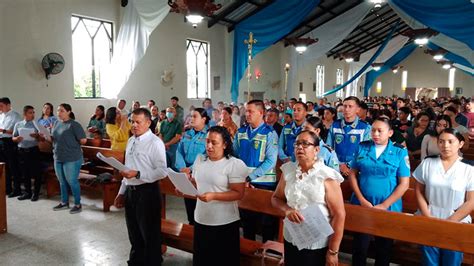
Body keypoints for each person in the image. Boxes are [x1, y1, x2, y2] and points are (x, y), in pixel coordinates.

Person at [271, 130, 345, 266]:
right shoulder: (288, 170)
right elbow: (276, 198)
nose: (299, 147)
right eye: (297, 144)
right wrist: (287, 210)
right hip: (292, 237)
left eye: (305, 144)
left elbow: (339, 215)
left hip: (316, 244)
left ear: (316, 149)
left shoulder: (327, 176)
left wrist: (333, 251)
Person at [348, 117, 410, 266]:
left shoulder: (399, 152)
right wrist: (361, 199)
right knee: (360, 246)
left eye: (379, 131)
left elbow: (404, 184)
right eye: (373, 130)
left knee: (384, 248)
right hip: (362, 204)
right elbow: (352, 174)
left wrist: (384, 204)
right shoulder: (362, 147)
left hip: (388, 207)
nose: (375, 134)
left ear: (390, 133)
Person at [114, 108, 168, 266]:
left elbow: (162, 171)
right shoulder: (131, 140)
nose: (134, 125)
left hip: (148, 193)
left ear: (148, 123)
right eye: (132, 121)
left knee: (150, 236)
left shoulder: (155, 143)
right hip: (131, 192)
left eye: (138, 122)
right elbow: (127, 169)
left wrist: (138, 174)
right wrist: (121, 192)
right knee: (134, 234)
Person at [188, 126, 249, 266]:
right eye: (207, 141)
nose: (209, 146)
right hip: (201, 218)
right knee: (202, 259)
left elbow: (238, 193)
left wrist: (214, 195)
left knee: (223, 260)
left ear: (225, 144)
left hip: (224, 222)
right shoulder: (200, 160)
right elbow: (197, 183)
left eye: (214, 142)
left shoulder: (234, 164)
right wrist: (184, 188)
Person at [413, 128, 474, 266]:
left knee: (451, 261)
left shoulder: (469, 168)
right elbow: (418, 191)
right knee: (429, 262)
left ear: (460, 144)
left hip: (456, 221)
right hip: (430, 217)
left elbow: (471, 201)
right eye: (441, 142)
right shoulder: (428, 162)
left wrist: (451, 221)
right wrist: (427, 215)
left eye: (450, 142)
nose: (445, 145)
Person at [233, 99, 278, 242]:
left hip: (265, 184)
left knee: (266, 223)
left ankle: (267, 254)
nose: (247, 114)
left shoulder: (269, 133)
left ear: (261, 113)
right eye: (246, 111)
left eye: (250, 111)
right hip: (245, 183)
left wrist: (250, 177)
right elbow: (235, 155)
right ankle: (248, 253)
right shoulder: (241, 132)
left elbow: (271, 161)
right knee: (247, 220)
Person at [175, 107, 210, 225]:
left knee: (201, 211)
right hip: (186, 176)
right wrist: (182, 168)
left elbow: (207, 155)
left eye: (195, 116)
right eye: (191, 116)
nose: (191, 118)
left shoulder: (209, 135)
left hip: (200, 175)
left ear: (204, 119)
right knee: (190, 210)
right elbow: (179, 151)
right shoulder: (187, 133)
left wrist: (189, 169)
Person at [50, 103, 87, 214]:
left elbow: (83, 140)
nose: (59, 113)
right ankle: (64, 202)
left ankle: (77, 204)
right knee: (62, 181)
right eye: (58, 110)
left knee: (72, 181)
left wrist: (73, 141)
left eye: (61, 111)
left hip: (72, 157)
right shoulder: (56, 123)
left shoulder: (74, 125)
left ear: (69, 112)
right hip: (58, 156)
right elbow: (54, 139)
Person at [326, 96, 371, 177]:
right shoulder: (335, 125)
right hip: (335, 169)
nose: (346, 109)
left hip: (356, 170)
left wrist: (348, 165)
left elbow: (365, 151)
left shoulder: (365, 128)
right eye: (345, 106)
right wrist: (339, 165)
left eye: (350, 106)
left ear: (357, 109)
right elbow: (328, 148)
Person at [12, 105, 42, 201]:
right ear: (24, 114)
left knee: (36, 173)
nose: (33, 114)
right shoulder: (18, 124)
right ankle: (27, 193)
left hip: (33, 150)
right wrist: (17, 139)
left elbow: (43, 139)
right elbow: (13, 138)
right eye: (30, 112)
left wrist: (37, 136)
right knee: (25, 173)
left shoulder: (36, 124)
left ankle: (35, 193)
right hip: (22, 151)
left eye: (33, 112)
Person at [0, 97, 22, 197]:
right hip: (1, 142)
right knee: (4, 167)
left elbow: (15, 132)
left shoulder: (15, 115)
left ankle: (17, 190)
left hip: (10, 142)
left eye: (1, 106)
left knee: (13, 167)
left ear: (8, 105)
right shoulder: (1, 116)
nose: (0, 108)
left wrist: (3, 130)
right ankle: (7, 188)